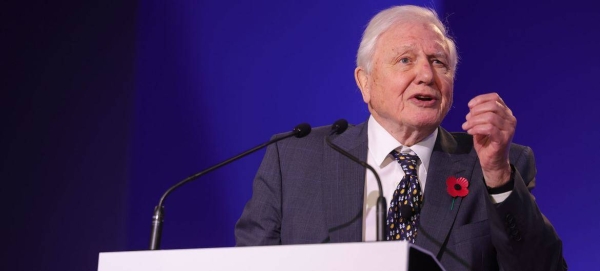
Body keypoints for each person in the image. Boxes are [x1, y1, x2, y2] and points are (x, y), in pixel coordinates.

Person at [235, 5, 566, 271]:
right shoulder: (293, 159)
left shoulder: (495, 165)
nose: (426, 75)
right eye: (405, 60)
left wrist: (497, 174)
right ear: (365, 82)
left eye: (439, 62)